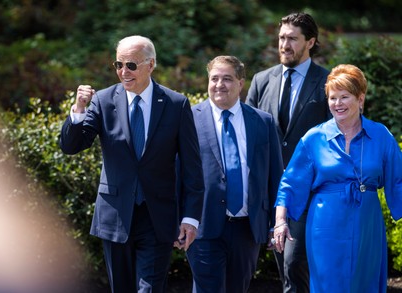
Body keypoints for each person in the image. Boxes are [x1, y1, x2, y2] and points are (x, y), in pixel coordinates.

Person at [59, 35, 204, 293]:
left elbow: (192, 167)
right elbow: (72, 146)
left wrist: (191, 218)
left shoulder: (175, 104)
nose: (123, 72)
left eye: (131, 65)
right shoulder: (103, 101)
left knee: (149, 289)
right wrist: (79, 110)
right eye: (118, 65)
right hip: (115, 216)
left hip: (157, 217)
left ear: (151, 65)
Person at [272, 64, 402, 292]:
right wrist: (281, 222)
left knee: (365, 282)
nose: (337, 104)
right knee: (328, 283)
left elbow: (398, 180)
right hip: (324, 225)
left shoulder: (381, 135)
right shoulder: (314, 138)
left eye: (345, 97)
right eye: (332, 98)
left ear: (360, 99)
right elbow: (290, 183)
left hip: (367, 223)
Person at [245, 12, 330, 292]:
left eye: (293, 39)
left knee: (295, 264)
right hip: (266, 189)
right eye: (282, 38)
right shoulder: (261, 80)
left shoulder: (328, 81)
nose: (285, 44)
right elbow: (248, 131)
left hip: (308, 191)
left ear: (310, 42)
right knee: (280, 269)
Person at [186, 55, 283, 293]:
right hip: (203, 224)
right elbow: (177, 172)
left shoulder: (262, 121)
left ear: (241, 84)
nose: (219, 84)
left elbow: (274, 176)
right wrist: (182, 218)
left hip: (247, 228)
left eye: (227, 79)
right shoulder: (188, 119)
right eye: (214, 78)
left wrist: (275, 222)